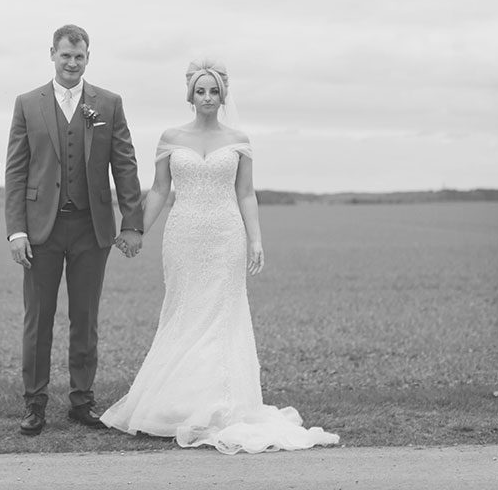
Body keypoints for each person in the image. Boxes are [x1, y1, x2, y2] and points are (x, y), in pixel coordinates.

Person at [100, 59, 339, 454]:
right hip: (183, 237)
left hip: (227, 236)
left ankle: (221, 406)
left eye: (214, 91)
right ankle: (177, 404)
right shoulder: (170, 137)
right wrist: (136, 229)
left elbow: (246, 192)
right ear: (190, 95)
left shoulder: (239, 139)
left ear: (223, 95)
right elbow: (159, 190)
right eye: (200, 91)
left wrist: (256, 240)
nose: (207, 97)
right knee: (184, 312)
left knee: (222, 315)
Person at [5, 24, 144, 435]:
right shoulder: (28, 103)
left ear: (88, 57)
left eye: (79, 56)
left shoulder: (109, 103)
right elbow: (15, 170)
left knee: (85, 318)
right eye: (65, 55)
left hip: (91, 227)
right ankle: (35, 404)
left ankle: (82, 402)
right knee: (38, 319)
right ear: (52, 54)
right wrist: (16, 230)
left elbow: (125, 164)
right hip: (40, 230)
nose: (72, 63)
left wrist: (132, 223)